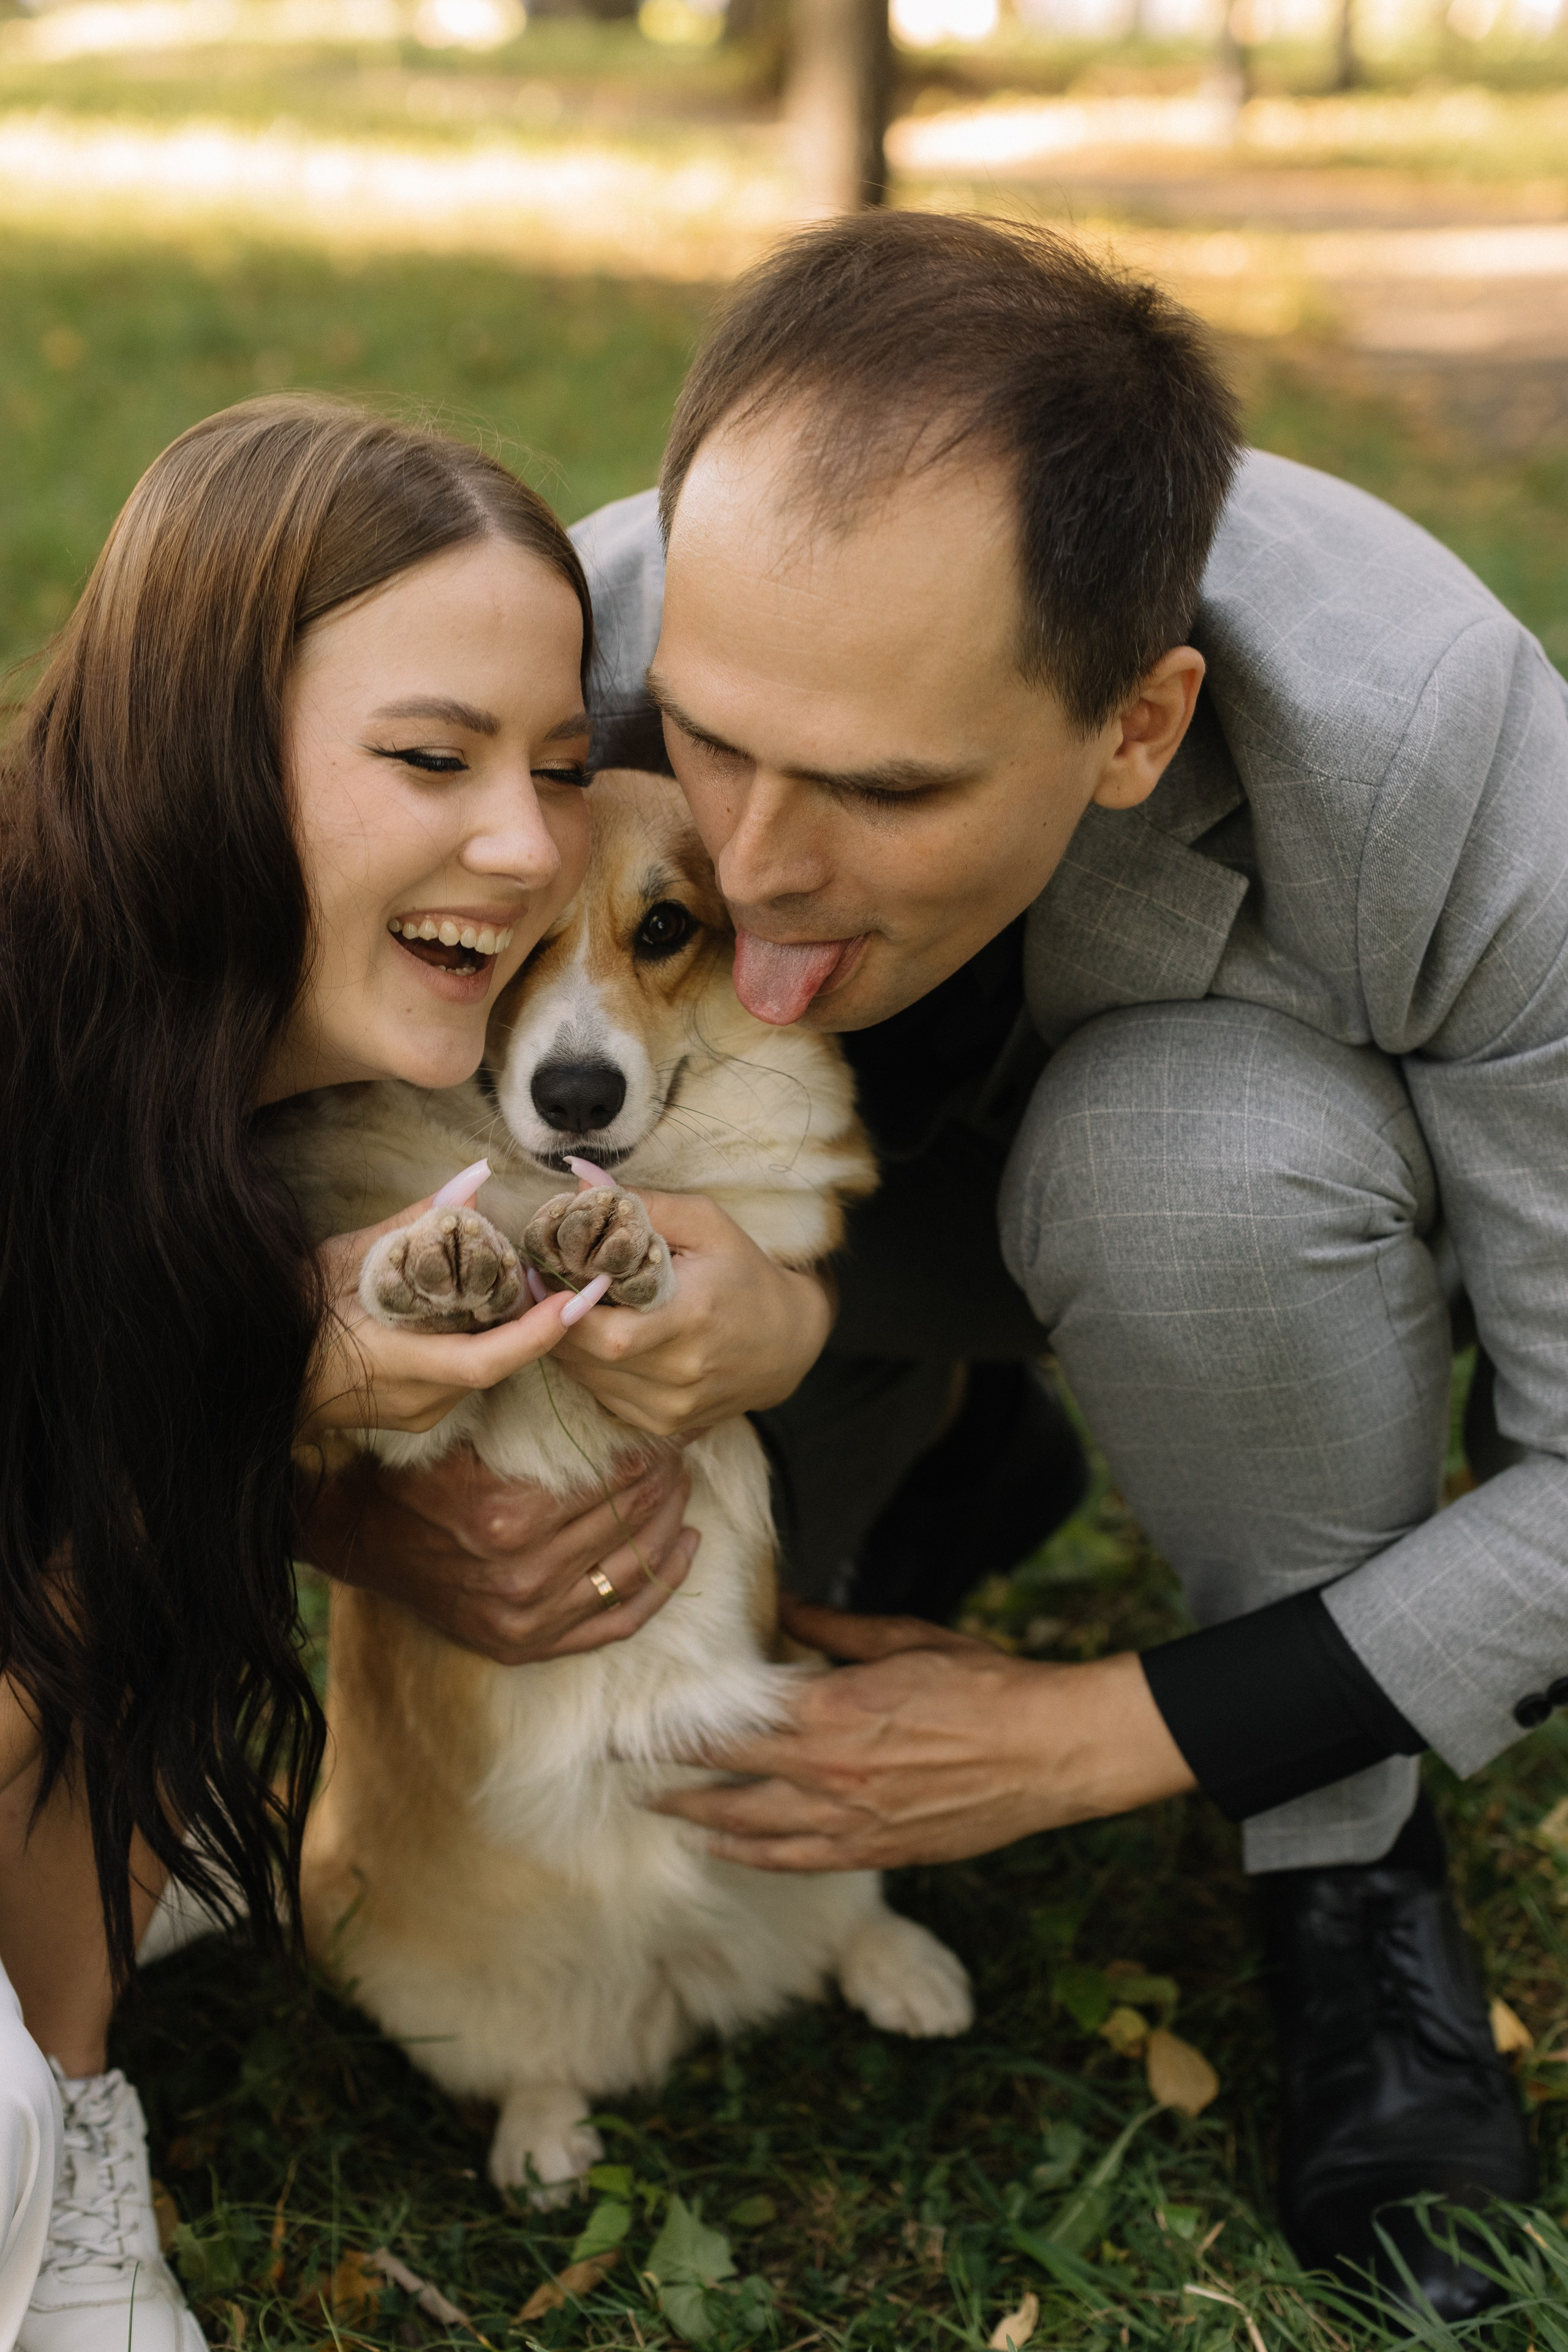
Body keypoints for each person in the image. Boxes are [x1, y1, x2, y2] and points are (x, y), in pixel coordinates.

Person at [306, 212, 1568, 2320]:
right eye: (708, 741)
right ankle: (940, 1483)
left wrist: (1109, 1735)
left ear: (1144, 724)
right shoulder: (551, 649)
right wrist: (348, 1508)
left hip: (1217, 1225)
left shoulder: (1446, 754)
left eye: (885, 789)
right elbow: (157, 1191)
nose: (763, 863)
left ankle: (1347, 1874)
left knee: (1197, 1153)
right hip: (756, 1274)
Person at [0, 394, 692, 2352]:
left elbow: (127, 1658)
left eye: (560, 766)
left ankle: (79, 2111)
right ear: (195, 746)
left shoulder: (215, 1108)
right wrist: (265, 1405)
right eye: (427, 756)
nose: (525, 842)